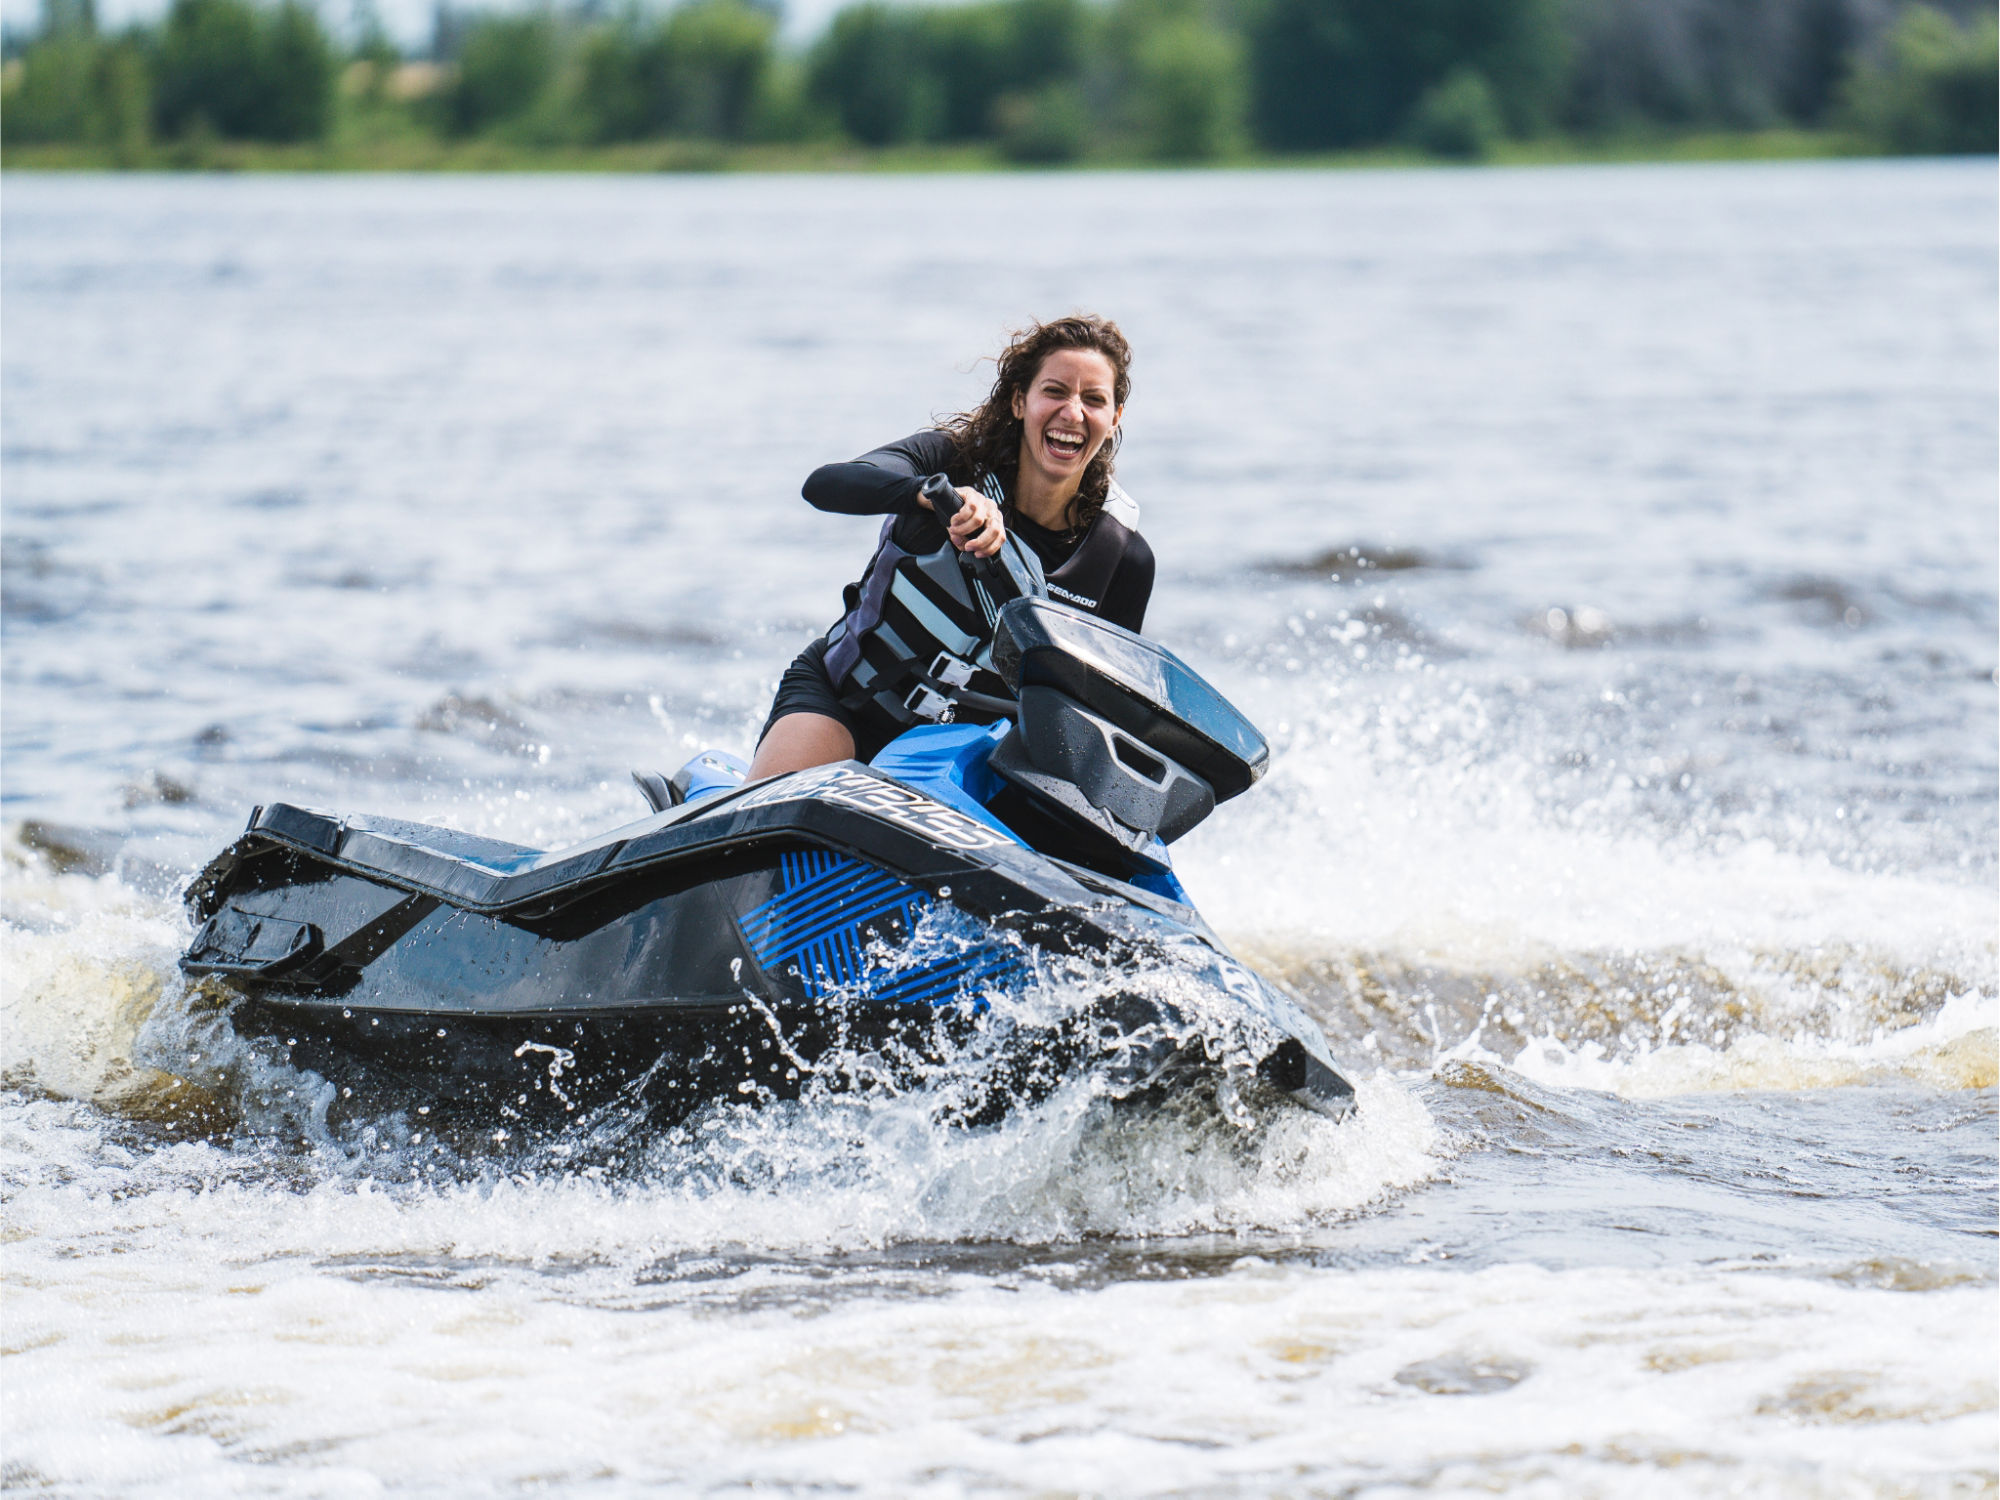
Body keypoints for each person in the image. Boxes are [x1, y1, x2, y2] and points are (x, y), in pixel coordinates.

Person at [749, 314, 1155, 780]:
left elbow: (1102, 712)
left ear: (1114, 417)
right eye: (1055, 391)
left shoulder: (1123, 559)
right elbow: (824, 485)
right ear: (1021, 401)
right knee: (770, 821)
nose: (1072, 413)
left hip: (967, 760)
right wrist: (931, 495)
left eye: (1094, 399)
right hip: (847, 705)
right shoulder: (946, 463)